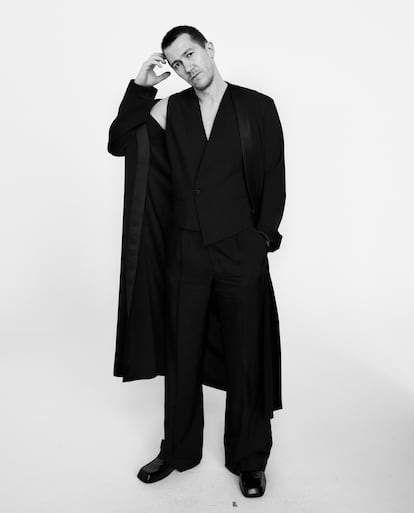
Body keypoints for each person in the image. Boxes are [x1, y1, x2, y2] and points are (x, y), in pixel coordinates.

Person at [107, 25, 286, 498]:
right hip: (185, 250)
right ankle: (178, 451)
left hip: (239, 249)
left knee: (245, 354)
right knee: (181, 353)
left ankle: (249, 458)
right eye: (176, 63)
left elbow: (274, 178)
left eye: (190, 54)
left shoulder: (257, 107)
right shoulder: (169, 108)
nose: (187, 67)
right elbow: (119, 141)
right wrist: (141, 87)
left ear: (209, 48)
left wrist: (261, 240)